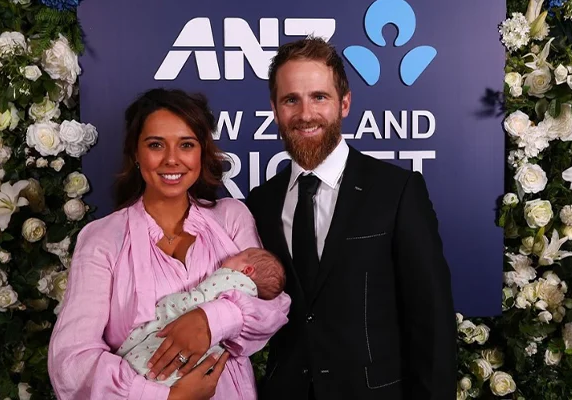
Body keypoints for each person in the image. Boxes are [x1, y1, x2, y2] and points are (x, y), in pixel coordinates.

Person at [245, 37, 457, 400]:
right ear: (274, 108)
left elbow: (432, 321)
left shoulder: (397, 191)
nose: (305, 113)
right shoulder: (261, 202)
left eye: (319, 97)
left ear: (344, 103)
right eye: (290, 99)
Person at [48, 88, 291, 400]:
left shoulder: (231, 218)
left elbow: (272, 308)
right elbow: (70, 363)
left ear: (202, 152)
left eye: (186, 145)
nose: (172, 159)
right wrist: (168, 397)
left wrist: (210, 319)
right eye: (155, 145)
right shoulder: (102, 239)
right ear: (135, 153)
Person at [117, 248, 286, 387]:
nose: (229, 256)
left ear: (247, 270)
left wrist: (173, 304)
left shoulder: (230, 279)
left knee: (151, 362)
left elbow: (199, 298)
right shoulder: (250, 298)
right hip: (202, 370)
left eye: (236, 256)